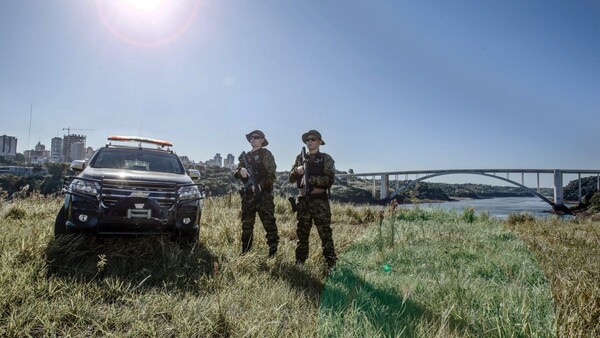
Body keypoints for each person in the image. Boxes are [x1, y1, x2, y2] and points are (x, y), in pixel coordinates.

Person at [289, 130, 337, 269]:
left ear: (319, 142)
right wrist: (296, 171)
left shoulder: (325, 158)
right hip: (303, 201)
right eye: (307, 140)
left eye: (313, 139)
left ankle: (331, 265)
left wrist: (310, 178)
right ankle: (300, 265)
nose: (309, 141)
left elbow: (329, 179)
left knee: (325, 234)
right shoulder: (299, 158)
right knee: (301, 235)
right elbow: (290, 178)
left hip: (319, 201)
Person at [234, 130, 279, 257]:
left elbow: (272, 175)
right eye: (251, 138)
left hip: (264, 195)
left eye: (256, 137)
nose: (253, 139)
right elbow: (236, 174)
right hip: (248, 196)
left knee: (269, 224)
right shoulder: (245, 156)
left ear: (262, 140)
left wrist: (260, 185)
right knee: (247, 225)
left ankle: (273, 253)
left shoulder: (266, 154)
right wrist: (240, 170)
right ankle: (246, 252)